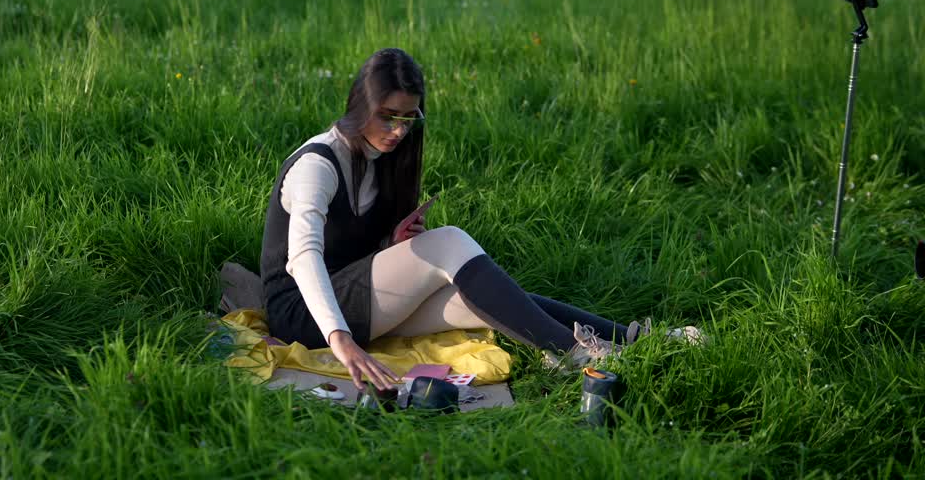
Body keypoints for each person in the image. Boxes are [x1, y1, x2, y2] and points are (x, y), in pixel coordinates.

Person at [259, 48, 667, 392]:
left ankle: (625, 337)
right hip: (306, 315)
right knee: (449, 241)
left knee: (481, 300)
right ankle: (575, 352)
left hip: (349, 298)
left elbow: (347, 252)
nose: (398, 131)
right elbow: (304, 257)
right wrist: (342, 341)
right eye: (388, 116)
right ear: (360, 107)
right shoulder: (318, 164)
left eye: (408, 119)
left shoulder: (381, 158)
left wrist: (389, 247)